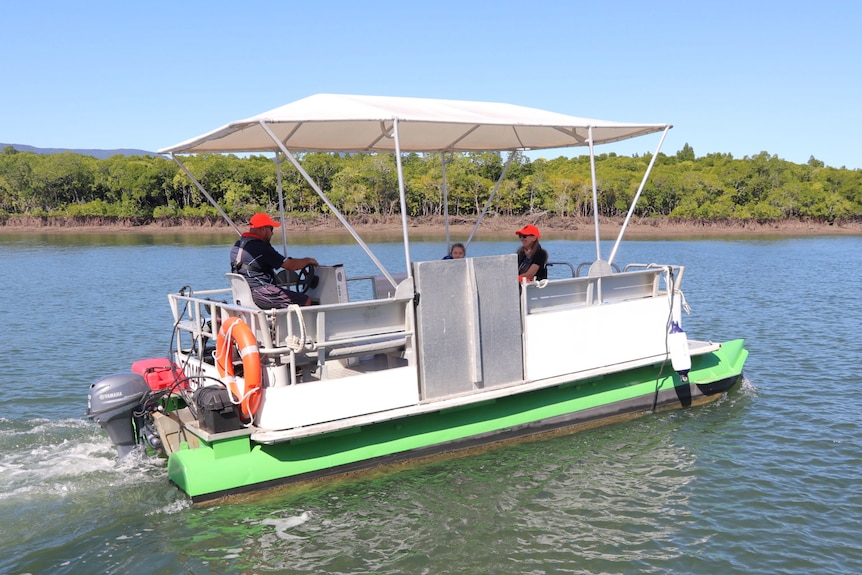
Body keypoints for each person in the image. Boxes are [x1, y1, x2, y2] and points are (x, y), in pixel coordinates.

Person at [230, 212, 319, 307]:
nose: (272, 233)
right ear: (262, 229)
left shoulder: (238, 246)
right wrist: (308, 261)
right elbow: (290, 266)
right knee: (305, 300)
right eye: (271, 229)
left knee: (290, 295)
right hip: (261, 293)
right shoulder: (261, 248)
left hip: (245, 294)